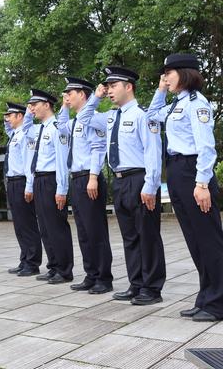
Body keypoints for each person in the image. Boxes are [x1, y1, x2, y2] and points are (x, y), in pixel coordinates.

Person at [77, 66, 166, 305]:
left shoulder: (143, 115)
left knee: (147, 235)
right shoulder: (110, 116)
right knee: (130, 237)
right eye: (107, 87)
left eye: (113, 86)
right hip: (119, 181)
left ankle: (152, 287)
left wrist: (150, 185)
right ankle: (136, 283)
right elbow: (83, 118)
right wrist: (95, 96)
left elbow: (153, 153)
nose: (108, 91)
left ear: (129, 87)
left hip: (140, 179)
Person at [147, 54, 223, 321]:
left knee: (210, 241)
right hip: (177, 172)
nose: (165, 77)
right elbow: (152, 116)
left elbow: (205, 147)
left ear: (185, 73)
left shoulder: (197, 104)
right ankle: (206, 297)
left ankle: (218, 303)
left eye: (169, 72)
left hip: (194, 173)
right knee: (194, 241)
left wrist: (202, 183)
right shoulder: (175, 104)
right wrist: (159, 90)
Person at [57, 77, 113, 294]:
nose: (67, 97)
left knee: (96, 230)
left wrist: (93, 177)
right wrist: (63, 106)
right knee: (83, 230)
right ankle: (91, 274)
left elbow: (98, 148)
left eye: (70, 93)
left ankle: (103, 277)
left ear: (83, 94)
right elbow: (60, 127)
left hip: (90, 178)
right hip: (76, 179)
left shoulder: (94, 119)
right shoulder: (73, 123)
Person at [24, 89, 74, 284]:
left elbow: (62, 161)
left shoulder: (56, 128)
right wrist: (28, 113)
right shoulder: (39, 129)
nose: (32, 108)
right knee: (44, 227)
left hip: (52, 179)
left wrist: (62, 189)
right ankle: (53, 266)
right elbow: (25, 129)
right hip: (39, 179)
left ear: (47, 104)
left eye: (35, 104)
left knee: (56, 226)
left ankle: (64, 269)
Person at [3, 102, 42, 277]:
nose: (7, 119)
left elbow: (28, 161)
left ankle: (32, 262)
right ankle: (24, 258)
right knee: (19, 224)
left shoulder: (26, 135)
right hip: (12, 182)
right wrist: (6, 119)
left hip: (22, 181)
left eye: (10, 115)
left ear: (20, 116)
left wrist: (29, 185)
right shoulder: (13, 134)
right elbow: (7, 128)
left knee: (27, 224)